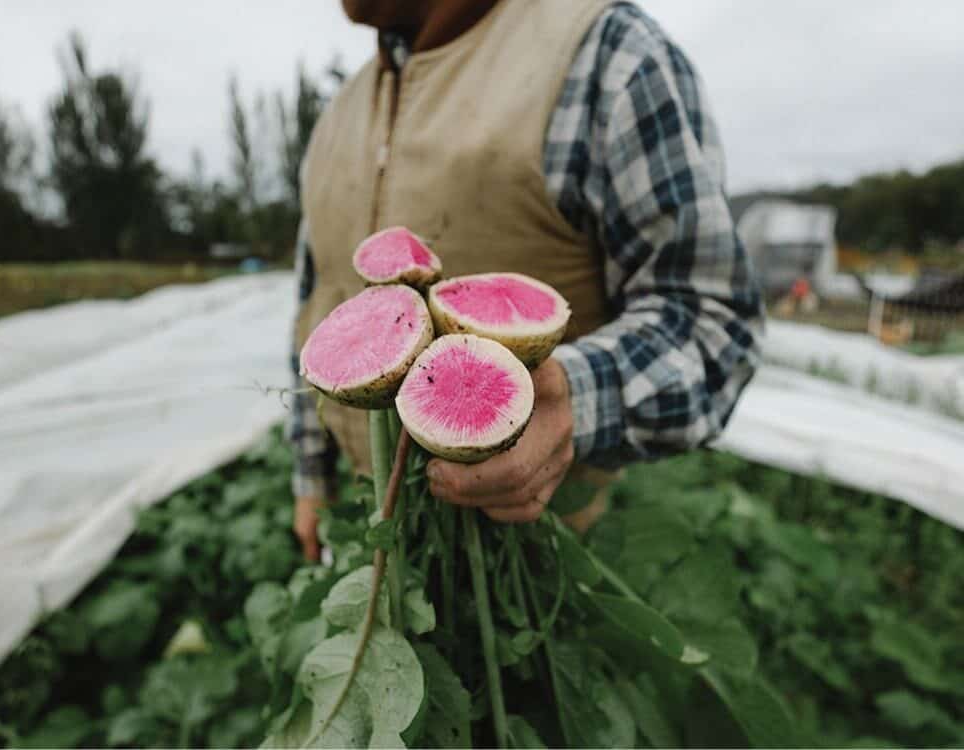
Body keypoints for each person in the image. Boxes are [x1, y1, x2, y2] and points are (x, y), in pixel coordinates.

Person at [290, 0, 764, 561]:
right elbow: (321, 309)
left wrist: (578, 401)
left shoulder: (607, 55)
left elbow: (713, 321)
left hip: (543, 567)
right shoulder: (337, 116)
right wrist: (311, 481)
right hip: (377, 552)